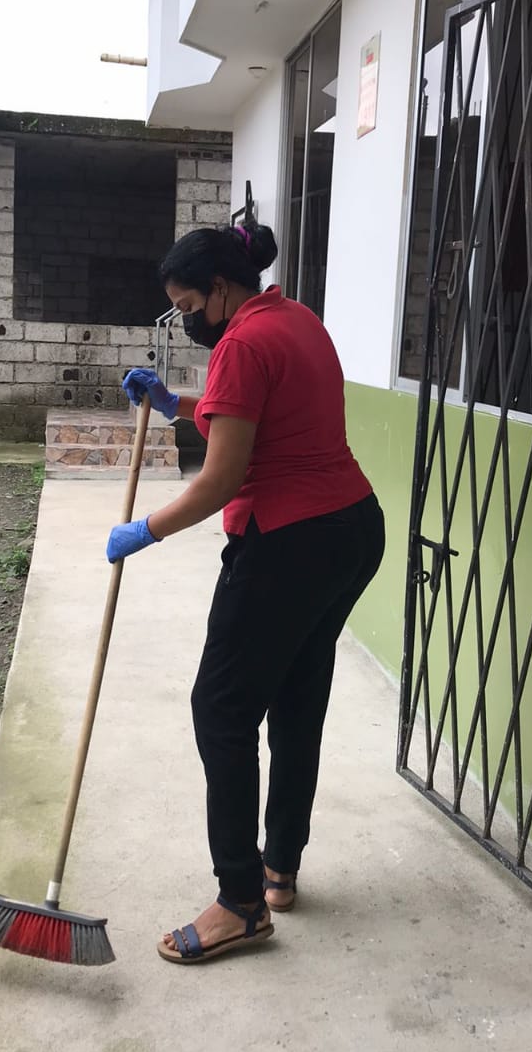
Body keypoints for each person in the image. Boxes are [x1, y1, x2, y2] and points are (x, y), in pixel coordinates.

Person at [107, 220, 385, 964]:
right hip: (352, 530)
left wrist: (145, 529)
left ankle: (239, 903)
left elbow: (223, 477)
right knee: (296, 696)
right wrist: (174, 403)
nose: (187, 320)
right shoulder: (295, 320)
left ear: (220, 289)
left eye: (188, 305)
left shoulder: (240, 344)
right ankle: (278, 869)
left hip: (288, 543)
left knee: (222, 710)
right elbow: (254, 419)